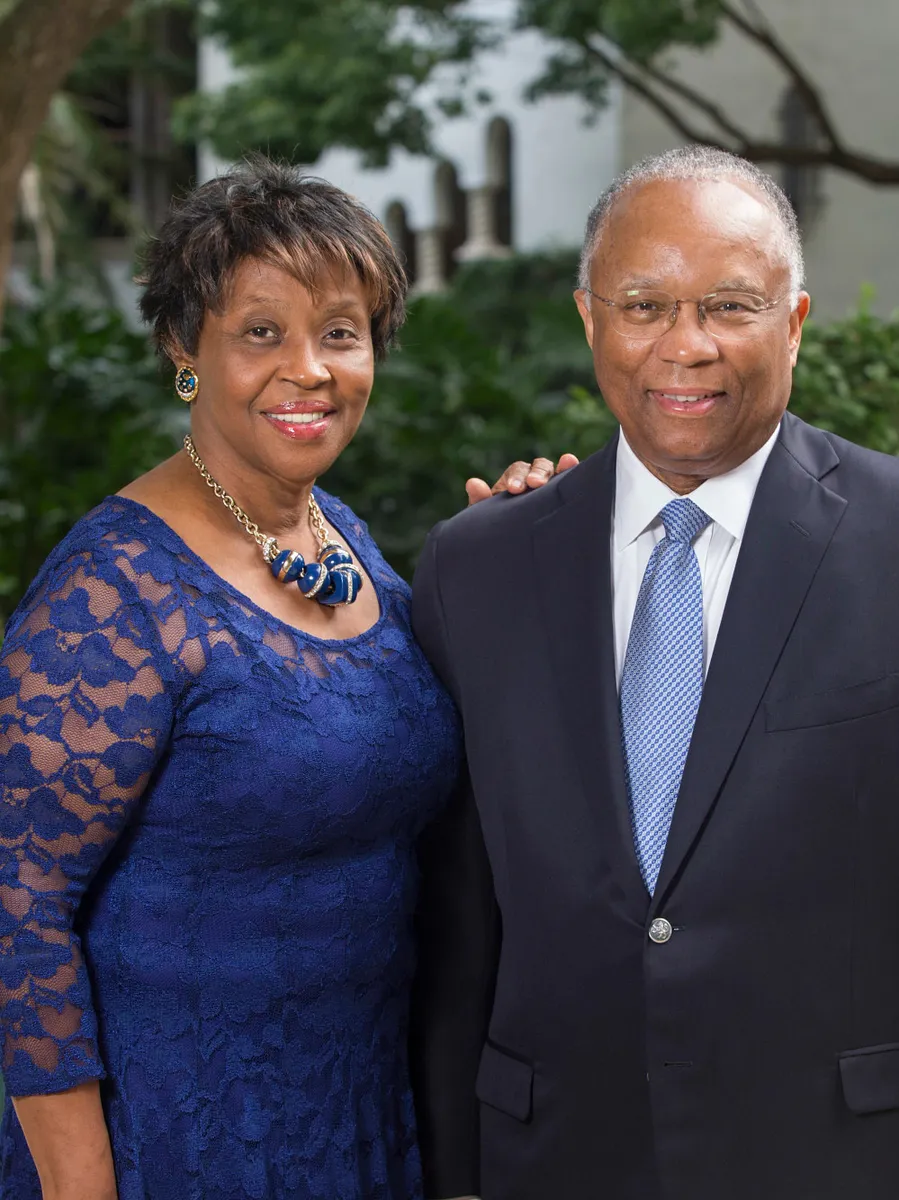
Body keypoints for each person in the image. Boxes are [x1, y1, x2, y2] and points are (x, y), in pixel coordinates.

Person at [0, 157, 556, 1200]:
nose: (307, 369)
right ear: (183, 346)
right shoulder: (113, 592)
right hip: (173, 1141)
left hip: (357, 1121)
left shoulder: (341, 537)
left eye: (338, 333)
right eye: (261, 332)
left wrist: (524, 539)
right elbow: (14, 904)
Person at [411, 145, 899, 1200]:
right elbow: (457, 920)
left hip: (839, 1159)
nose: (685, 347)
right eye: (643, 305)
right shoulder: (476, 567)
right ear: (589, 318)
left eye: (728, 304)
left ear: (794, 322)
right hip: (555, 1161)